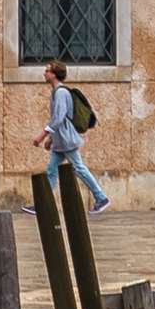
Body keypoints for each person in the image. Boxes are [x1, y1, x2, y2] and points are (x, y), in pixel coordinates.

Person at [40, 58, 111, 212]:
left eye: (47, 70)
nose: (44, 73)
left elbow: (59, 118)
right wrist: (51, 139)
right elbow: (59, 119)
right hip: (61, 141)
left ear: (54, 74)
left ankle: (101, 197)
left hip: (66, 140)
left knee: (79, 168)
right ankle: (42, 204)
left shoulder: (61, 93)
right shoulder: (56, 92)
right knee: (52, 171)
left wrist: (43, 135)